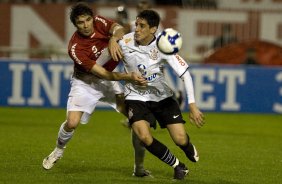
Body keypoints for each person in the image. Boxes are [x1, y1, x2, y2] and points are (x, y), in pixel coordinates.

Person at [42, 2, 150, 177]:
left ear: (92, 18)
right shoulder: (75, 48)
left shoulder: (99, 22)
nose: (86, 25)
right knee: (72, 123)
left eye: (87, 20)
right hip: (86, 83)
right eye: (80, 22)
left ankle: (139, 168)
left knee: (136, 120)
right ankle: (58, 150)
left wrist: (114, 39)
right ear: (75, 25)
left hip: (108, 81)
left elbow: (118, 29)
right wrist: (128, 76)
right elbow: (104, 74)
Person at [119, 10, 205, 180]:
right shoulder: (124, 42)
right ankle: (178, 166)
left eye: (142, 26)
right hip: (135, 97)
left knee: (180, 139)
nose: (137, 29)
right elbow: (108, 49)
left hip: (161, 97)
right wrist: (111, 43)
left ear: (153, 29)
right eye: (136, 24)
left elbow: (185, 74)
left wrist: (193, 105)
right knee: (143, 136)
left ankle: (187, 146)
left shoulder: (164, 45)